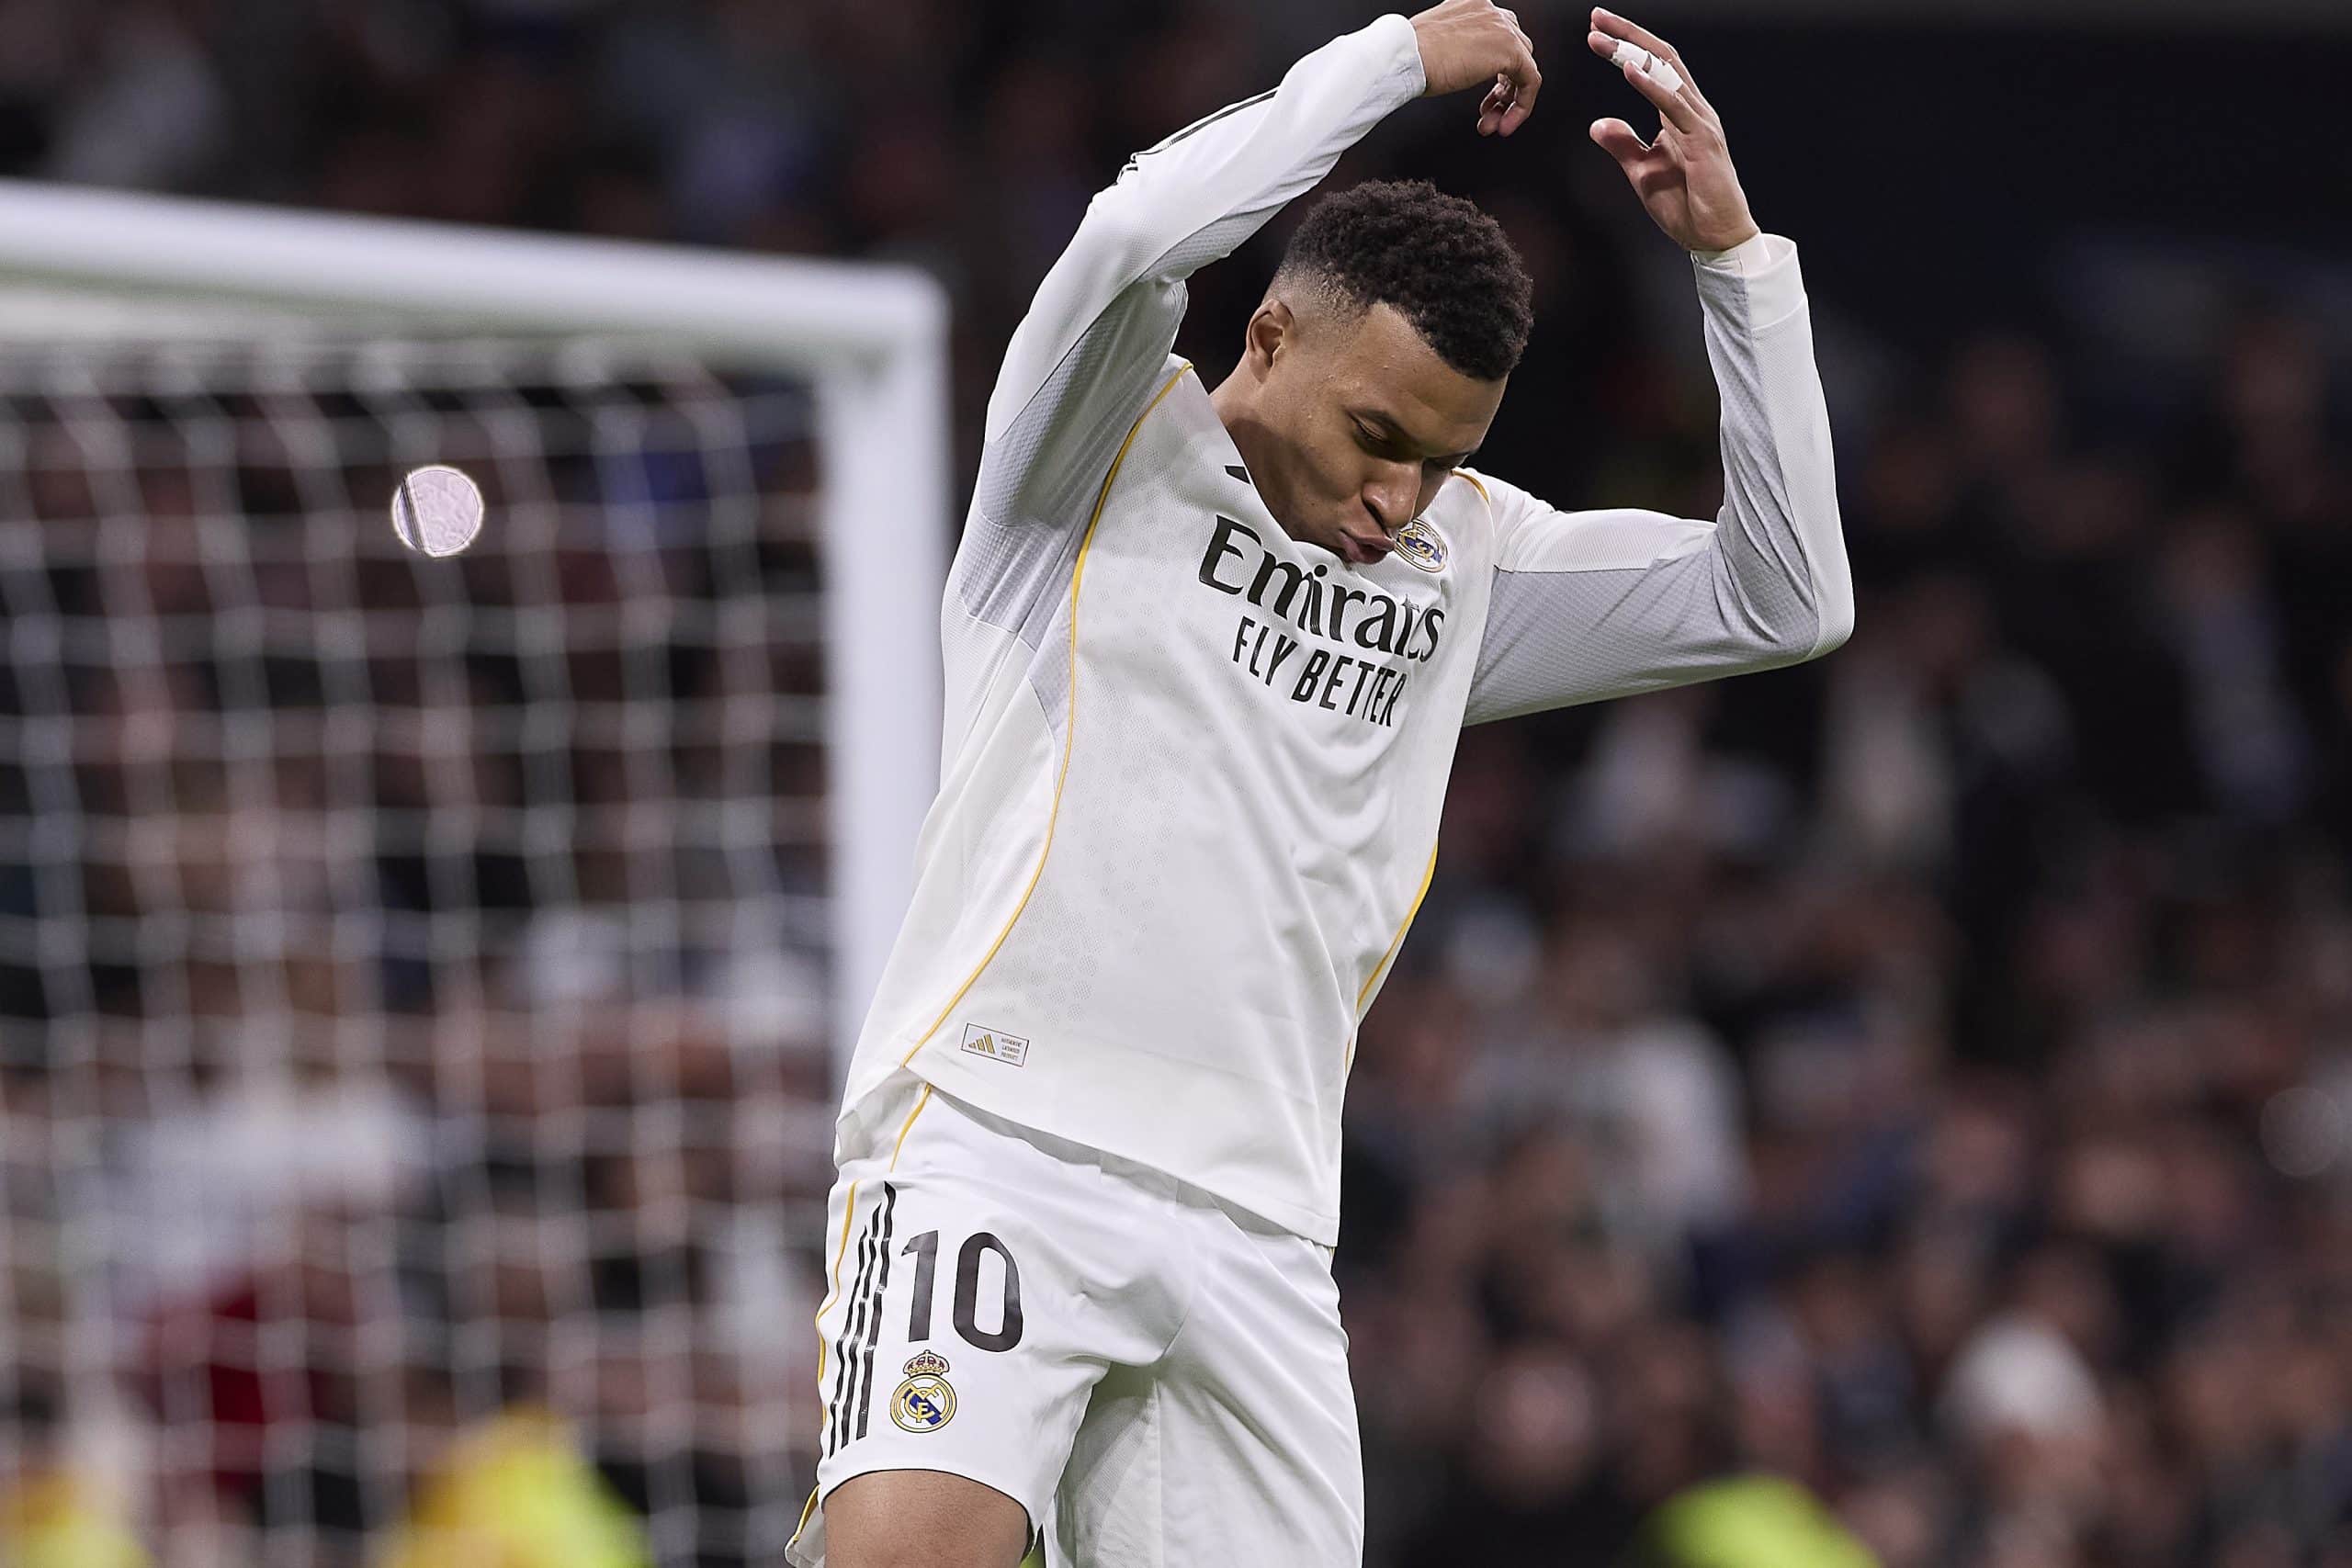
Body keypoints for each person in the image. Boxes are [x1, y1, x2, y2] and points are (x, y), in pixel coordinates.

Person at [790, 4, 1852, 1563]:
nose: (1395, 496)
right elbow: (1134, 228)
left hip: (1264, 1227)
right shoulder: (1090, 448)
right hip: (1001, 1142)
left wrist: (1736, 269)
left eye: (1443, 457)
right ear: (1271, 338)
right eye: (1375, 435)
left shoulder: (1464, 566)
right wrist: (1394, 61)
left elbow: (1788, 596)